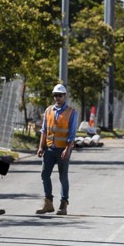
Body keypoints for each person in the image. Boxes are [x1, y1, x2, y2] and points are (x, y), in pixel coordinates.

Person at [36, 84, 78, 216]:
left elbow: (72, 134)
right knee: (44, 174)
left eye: (60, 95)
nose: (57, 98)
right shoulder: (49, 110)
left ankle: (63, 203)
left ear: (64, 96)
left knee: (63, 176)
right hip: (49, 149)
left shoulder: (72, 112)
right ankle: (48, 202)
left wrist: (67, 149)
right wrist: (40, 147)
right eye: (55, 95)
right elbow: (44, 131)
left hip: (63, 150)